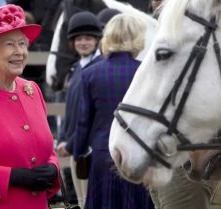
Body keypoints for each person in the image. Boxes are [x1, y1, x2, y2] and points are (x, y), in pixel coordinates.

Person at [0, 4, 60, 209]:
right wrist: (11, 177)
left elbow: (46, 148)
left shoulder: (32, 90)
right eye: (10, 44)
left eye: (22, 44)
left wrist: (53, 167)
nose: (20, 52)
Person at [73, 13, 154, 209]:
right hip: (138, 156)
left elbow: (83, 122)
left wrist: (78, 155)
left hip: (102, 154)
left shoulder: (90, 73)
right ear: (137, 37)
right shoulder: (146, 72)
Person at [56, 11, 104, 209]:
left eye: (88, 38)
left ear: (97, 41)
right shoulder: (76, 69)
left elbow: (91, 115)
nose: (83, 42)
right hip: (75, 146)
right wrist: (62, 138)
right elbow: (70, 110)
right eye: (79, 39)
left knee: (89, 201)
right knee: (81, 200)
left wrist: (72, 143)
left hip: (89, 147)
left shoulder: (98, 68)